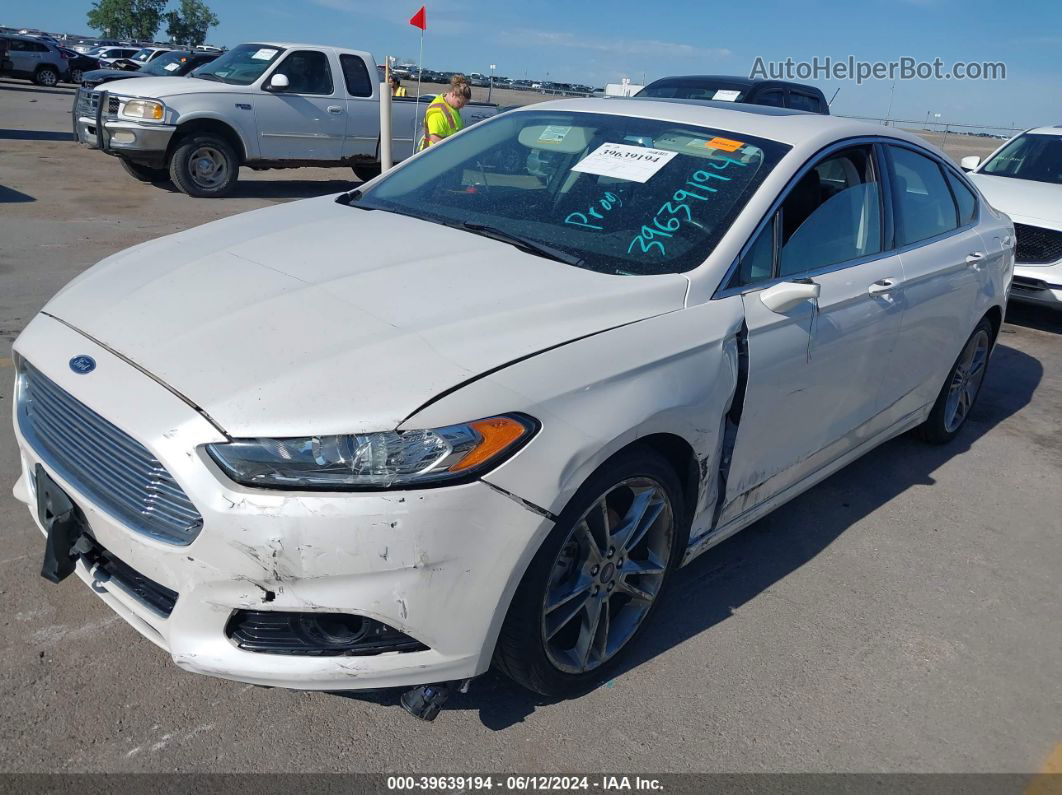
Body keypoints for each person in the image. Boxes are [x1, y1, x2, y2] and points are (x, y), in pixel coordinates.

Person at [417, 74, 471, 151]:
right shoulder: (437, 113)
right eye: (460, 103)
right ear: (453, 94)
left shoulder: (451, 106)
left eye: (464, 104)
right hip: (434, 155)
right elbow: (435, 139)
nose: (462, 107)